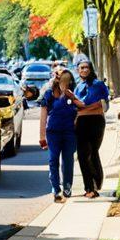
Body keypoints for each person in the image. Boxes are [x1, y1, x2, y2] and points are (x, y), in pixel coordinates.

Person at [39, 68, 78, 202]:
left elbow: (80, 110)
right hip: (53, 133)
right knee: (53, 160)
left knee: (68, 161)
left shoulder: (73, 94)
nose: (65, 82)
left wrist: (72, 97)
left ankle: (67, 186)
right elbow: (43, 115)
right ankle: (56, 189)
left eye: (68, 80)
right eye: (62, 79)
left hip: (69, 133)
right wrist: (42, 136)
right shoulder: (49, 94)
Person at [73, 60, 109, 199]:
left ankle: (97, 183)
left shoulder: (98, 85)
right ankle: (89, 187)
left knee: (93, 152)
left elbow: (104, 105)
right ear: (78, 70)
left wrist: (85, 108)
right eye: (81, 68)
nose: (84, 70)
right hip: (81, 123)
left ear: (91, 69)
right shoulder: (77, 87)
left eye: (87, 67)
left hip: (96, 122)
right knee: (82, 155)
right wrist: (87, 108)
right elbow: (75, 107)